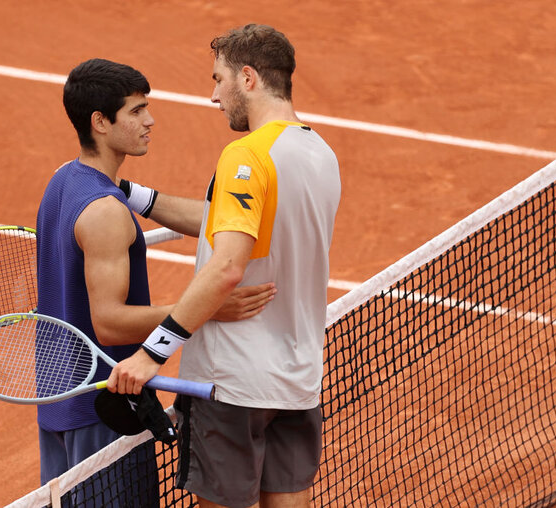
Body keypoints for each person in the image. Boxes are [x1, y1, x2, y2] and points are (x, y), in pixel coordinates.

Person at [108, 24, 341, 508]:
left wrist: (152, 353)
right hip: (297, 382)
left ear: (249, 79)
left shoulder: (246, 156)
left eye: (219, 79)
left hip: (230, 385)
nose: (213, 95)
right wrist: (133, 194)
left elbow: (226, 267)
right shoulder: (320, 153)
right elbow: (228, 222)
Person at [36, 58, 276, 489]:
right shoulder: (106, 213)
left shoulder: (63, 182)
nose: (150, 120)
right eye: (136, 110)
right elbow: (108, 323)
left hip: (61, 405)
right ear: (100, 122)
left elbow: (212, 219)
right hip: (103, 409)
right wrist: (206, 309)